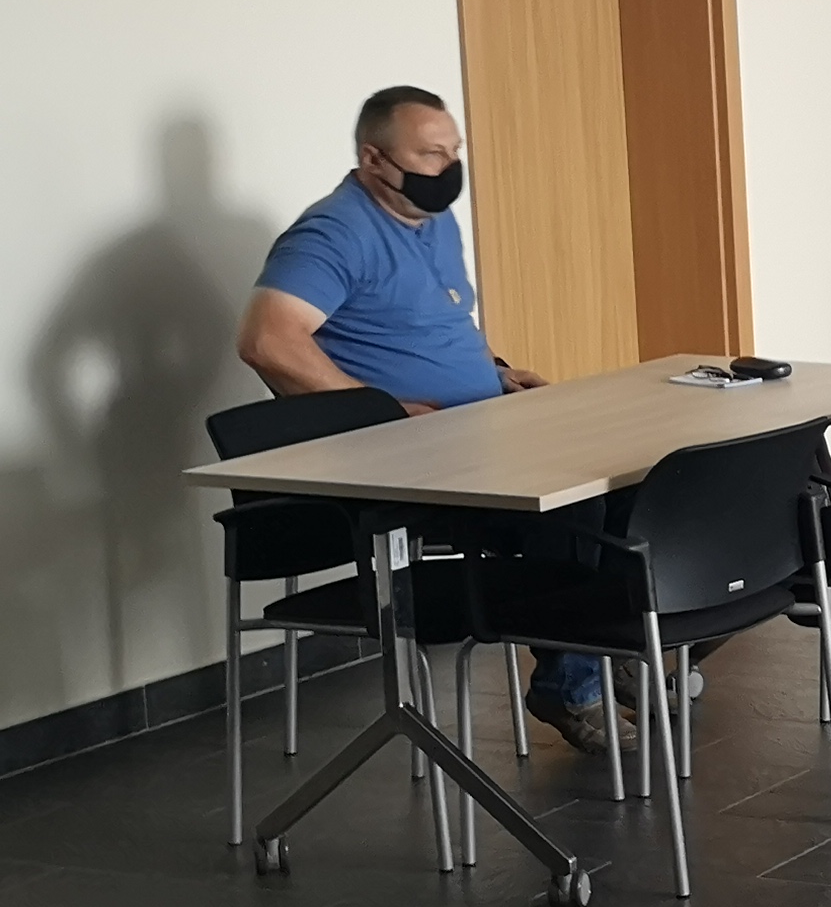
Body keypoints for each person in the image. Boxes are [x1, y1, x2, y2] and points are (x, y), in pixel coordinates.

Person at [237, 85, 609, 748]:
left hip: (477, 432)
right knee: (576, 499)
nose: (449, 167)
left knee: (630, 481)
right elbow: (267, 340)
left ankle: (603, 654)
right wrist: (377, 411)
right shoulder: (336, 232)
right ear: (374, 159)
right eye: (432, 154)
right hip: (412, 467)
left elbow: (435, 322)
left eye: (454, 151)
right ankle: (575, 683)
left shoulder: (433, 221)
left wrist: (494, 371)